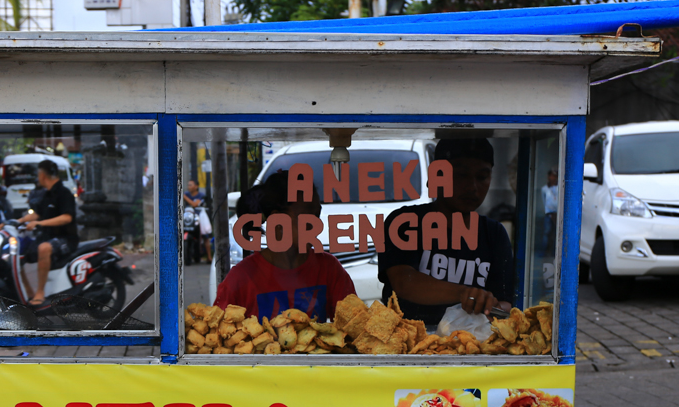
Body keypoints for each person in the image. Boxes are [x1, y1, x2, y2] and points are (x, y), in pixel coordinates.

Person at [377, 137, 514, 325]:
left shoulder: (494, 233)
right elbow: (403, 282)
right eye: (460, 175)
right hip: (408, 344)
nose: (472, 187)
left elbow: (505, 303)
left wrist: (492, 306)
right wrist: (464, 293)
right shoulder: (405, 222)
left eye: (482, 177)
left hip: (471, 346)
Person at [214, 170, 355, 322]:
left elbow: (353, 325)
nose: (317, 224)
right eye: (308, 216)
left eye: (317, 214)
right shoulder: (241, 278)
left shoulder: (329, 269)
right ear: (278, 220)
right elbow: (217, 336)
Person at [11, 160, 78, 306]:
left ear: (43, 175)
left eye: (38, 173)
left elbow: (67, 217)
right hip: (46, 236)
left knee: (44, 248)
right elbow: (37, 214)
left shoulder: (64, 193)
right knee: (18, 253)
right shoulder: (46, 195)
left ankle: (40, 293)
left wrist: (39, 223)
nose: (37, 177)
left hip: (65, 239)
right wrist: (17, 221)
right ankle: (28, 294)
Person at [183, 179, 213, 263]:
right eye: (188, 185)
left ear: (196, 186)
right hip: (188, 218)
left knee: (205, 236)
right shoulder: (186, 194)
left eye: (191, 185)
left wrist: (185, 197)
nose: (189, 187)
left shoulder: (201, 195)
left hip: (199, 217)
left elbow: (194, 204)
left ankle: (209, 257)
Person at [541, 169, 558, 256]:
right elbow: (544, 201)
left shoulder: (559, 188)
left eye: (555, 176)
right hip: (549, 214)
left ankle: (554, 253)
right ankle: (543, 252)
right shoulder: (544, 189)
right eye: (551, 175)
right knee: (546, 233)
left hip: (557, 214)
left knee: (556, 233)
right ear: (548, 177)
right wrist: (548, 212)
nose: (553, 178)